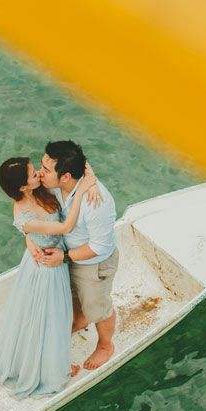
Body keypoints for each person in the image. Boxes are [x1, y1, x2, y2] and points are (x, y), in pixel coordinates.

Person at [0, 156, 99, 398]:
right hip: (47, 267)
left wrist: (92, 181)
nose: (39, 174)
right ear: (23, 187)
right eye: (33, 173)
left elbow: (79, 164)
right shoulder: (24, 215)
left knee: (46, 314)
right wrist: (82, 192)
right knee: (50, 315)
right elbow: (65, 227)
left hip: (48, 256)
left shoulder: (39, 190)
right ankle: (50, 368)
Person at [34, 141, 119, 370]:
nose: (40, 171)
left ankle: (105, 345)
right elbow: (82, 161)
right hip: (68, 252)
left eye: (47, 169)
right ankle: (80, 320)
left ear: (65, 176)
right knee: (70, 298)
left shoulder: (96, 202)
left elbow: (99, 247)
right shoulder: (57, 183)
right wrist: (89, 173)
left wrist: (65, 257)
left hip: (94, 262)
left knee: (97, 307)